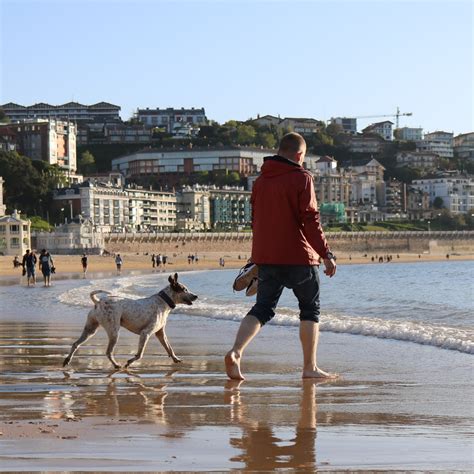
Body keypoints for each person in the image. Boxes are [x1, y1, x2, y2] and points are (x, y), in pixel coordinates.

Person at [225, 133, 337, 381]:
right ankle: (310, 368)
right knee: (310, 310)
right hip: (299, 256)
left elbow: (257, 222)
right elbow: (311, 220)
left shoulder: (261, 181)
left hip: (267, 257)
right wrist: (326, 254)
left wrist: (257, 257)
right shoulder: (302, 178)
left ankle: (235, 352)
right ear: (299, 155)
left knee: (263, 308)